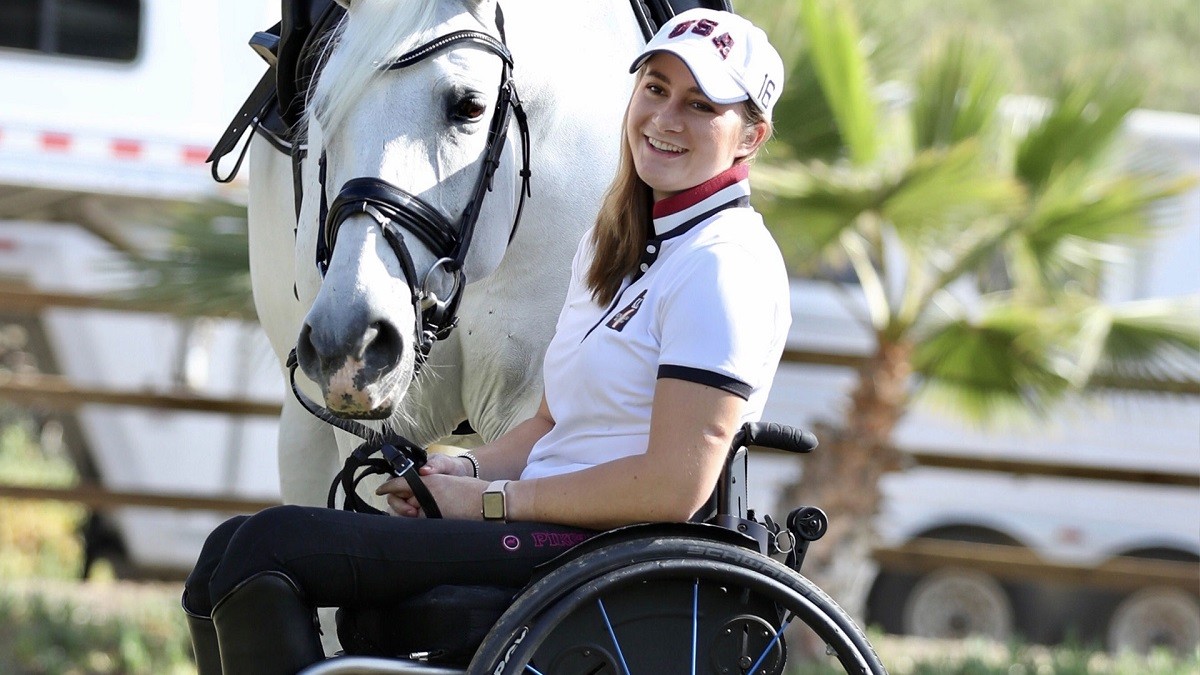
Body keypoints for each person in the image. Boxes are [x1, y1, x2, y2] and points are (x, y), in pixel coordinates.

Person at [182, 8, 790, 674]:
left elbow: (676, 486)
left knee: (265, 548)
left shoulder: (723, 263)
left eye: (700, 105)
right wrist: (464, 470)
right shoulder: (622, 244)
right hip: (546, 528)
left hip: (608, 548)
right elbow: (554, 423)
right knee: (223, 555)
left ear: (749, 137)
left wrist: (492, 503)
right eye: (655, 89)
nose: (666, 118)